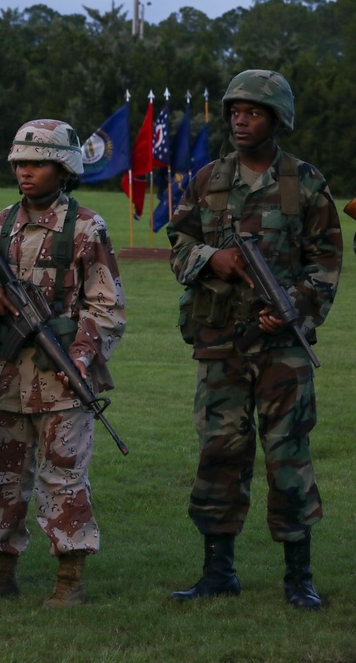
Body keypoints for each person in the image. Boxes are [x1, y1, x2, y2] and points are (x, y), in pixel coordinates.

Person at [167, 70, 342, 611]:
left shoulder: (306, 182)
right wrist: (210, 257)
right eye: (235, 111)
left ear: (277, 120)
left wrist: (294, 308)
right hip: (220, 343)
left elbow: (327, 263)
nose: (241, 120)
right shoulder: (207, 180)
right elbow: (178, 241)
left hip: (284, 349)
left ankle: (299, 578)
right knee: (220, 452)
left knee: (288, 457)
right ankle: (218, 572)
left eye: (254, 112)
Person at [0, 119, 125, 608]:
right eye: (21, 164)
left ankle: (68, 582)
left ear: (64, 168)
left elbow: (107, 305)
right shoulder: (4, 220)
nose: (26, 172)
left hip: (61, 379)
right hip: (2, 376)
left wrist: (77, 355)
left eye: (37, 163)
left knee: (63, 478)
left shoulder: (85, 226)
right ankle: (0, 575)